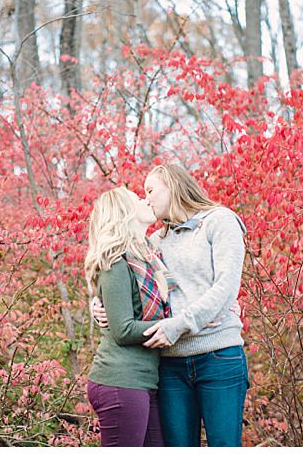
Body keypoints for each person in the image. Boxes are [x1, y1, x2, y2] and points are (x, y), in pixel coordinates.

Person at [92, 164, 249, 447]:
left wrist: (180, 325)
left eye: (151, 190)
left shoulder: (219, 221)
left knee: (225, 446)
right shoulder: (153, 242)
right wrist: (96, 304)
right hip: (170, 364)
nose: (147, 198)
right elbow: (114, 273)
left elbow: (226, 288)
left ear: (173, 186)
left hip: (218, 355)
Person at [84, 186, 176, 447]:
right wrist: (176, 326)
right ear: (124, 213)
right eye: (137, 199)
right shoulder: (115, 262)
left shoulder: (147, 257)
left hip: (144, 381)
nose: (146, 199)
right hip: (120, 381)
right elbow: (123, 330)